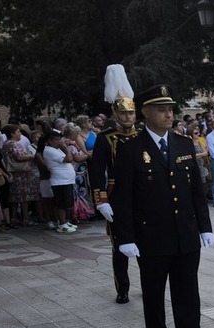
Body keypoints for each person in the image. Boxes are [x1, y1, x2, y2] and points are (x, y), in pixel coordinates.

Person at [110, 84, 214, 328]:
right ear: (145, 112)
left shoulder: (182, 143)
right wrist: (126, 238)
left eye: (170, 109)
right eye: (162, 110)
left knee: (188, 293)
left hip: (185, 233)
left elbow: (196, 189)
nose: (169, 115)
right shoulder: (131, 149)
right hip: (151, 235)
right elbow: (122, 198)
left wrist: (204, 226)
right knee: (154, 294)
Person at [89, 64, 140, 304]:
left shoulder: (142, 135)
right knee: (120, 246)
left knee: (146, 244)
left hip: (142, 194)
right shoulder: (105, 138)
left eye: (131, 113)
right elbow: (97, 171)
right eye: (124, 113)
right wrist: (101, 201)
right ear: (114, 113)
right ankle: (123, 288)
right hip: (116, 193)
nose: (128, 117)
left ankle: (149, 282)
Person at [1, 125, 40, 227]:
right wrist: (32, 156)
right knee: (24, 196)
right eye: (18, 132)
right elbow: (19, 157)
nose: (20, 134)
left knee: (14, 196)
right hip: (20, 173)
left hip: (12, 172)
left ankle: (13, 217)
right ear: (12, 134)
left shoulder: (5, 144)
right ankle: (25, 218)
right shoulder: (14, 144)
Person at [40, 130, 78, 233]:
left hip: (66, 180)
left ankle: (65, 220)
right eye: (57, 140)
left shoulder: (56, 149)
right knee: (61, 204)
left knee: (67, 203)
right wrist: (66, 149)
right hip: (60, 181)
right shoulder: (49, 151)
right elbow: (69, 159)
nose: (59, 142)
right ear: (50, 141)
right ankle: (62, 224)